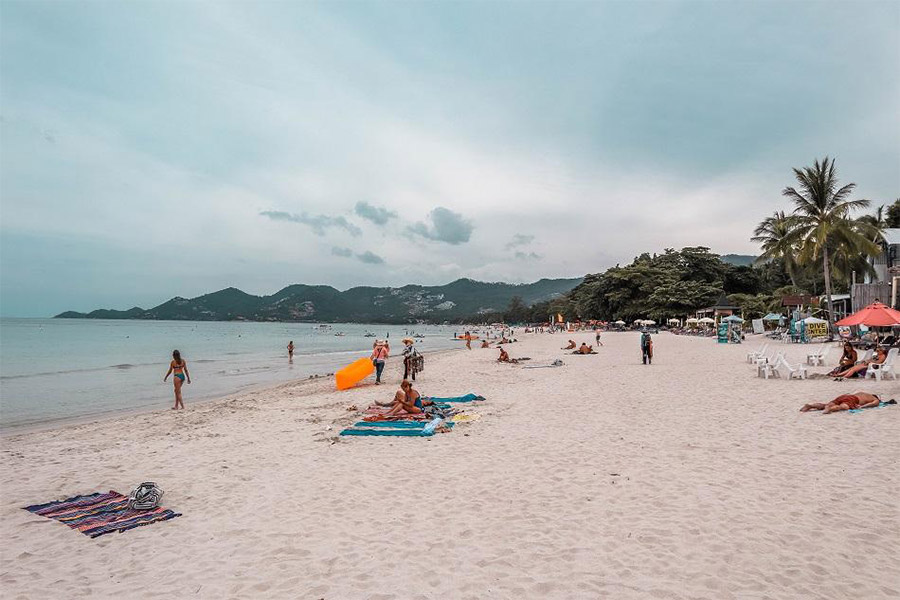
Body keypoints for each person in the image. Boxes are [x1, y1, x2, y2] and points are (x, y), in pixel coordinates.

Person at [800, 392, 882, 414]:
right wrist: (862, 407)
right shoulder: (874, 398)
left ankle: (810, 405)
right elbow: (873, 404)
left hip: (845, 395)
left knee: (826, 404)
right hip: (853, 399)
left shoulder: (862, 393)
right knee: (843, 407)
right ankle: (830, 409)